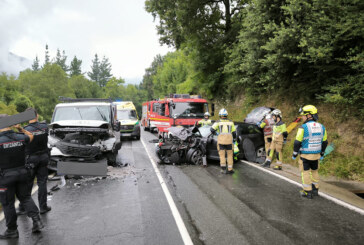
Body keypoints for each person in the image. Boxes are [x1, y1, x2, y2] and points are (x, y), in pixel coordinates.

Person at [0, 114, 44, 239]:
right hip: (23, 173)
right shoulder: (20, 137)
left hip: (5, 176)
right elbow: (31, 136)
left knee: (8, 203)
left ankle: (12, 230)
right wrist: (20, 128)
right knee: (25, 198)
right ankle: (37, 221)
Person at [17, 110, 51, 215]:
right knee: (42, 182)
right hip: (44, 157)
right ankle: (43, 207)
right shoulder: (44, 126)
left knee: (28, 183)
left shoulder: (25, 130)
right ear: (37, 115)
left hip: (31, 159)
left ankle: (22, 207)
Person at [292, 105, 328, 199]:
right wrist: (322, 153)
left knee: (305, 172)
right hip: (316, 155)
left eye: (303, 115)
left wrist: (295, 153)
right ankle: (315, 190)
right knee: (315, 171)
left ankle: (307, 191)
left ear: (309, 115)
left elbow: (297, 142)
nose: (302, 117)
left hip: (305, 155)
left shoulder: (303, 127)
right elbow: (325, 142)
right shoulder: (322, 127)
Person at [211, 109, 236, 174]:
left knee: (222, 155)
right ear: (226, 115)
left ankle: (223, 169)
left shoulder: (218, 122)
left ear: (220, 115)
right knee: (230, 155)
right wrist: (235, 139)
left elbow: (211, 129)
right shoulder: (231, 122)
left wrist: (216, 133)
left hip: (221, 141)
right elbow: (234, 132)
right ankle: (230, 169)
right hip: (229, 141)